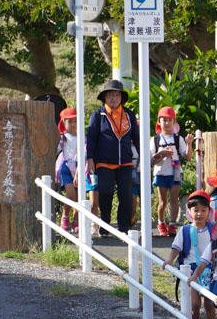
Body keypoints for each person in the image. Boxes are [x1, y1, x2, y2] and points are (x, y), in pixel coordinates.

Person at [86, 79, 139, 235]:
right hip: (104, 162)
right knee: (106, 193)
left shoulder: (129, 114)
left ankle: (124, 228)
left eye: (117, 95)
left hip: (125, 162)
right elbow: (91, 138)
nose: (114, 98)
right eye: (110, 95)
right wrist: (90, 158)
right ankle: (105, 224)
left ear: (121, 97)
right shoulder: (97, 115)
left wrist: (144, 158)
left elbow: (136, 138)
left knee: (126, 195)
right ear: (104, 98)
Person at [164, 190, 216, 319]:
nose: (199, 213)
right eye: (196, 210)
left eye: (203, 210)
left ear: (209, 212)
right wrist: (169, 259)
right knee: (194, 304)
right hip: (192, 270)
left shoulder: (213, 230)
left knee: (210, 304)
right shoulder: (185, 230)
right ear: (189, 212)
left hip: (210, 270)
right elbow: (176, 248)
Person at [151, 106, 188, 236]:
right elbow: (150, 162)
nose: (166, 123)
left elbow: (187, 156)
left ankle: (172, 224)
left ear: (174, 122)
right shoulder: (155, 140)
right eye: (164, 120)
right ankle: (161, 223)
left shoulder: (179, 139)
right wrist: (161, 154)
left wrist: (189, 143)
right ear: (159, 122)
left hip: (176, 173)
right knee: (163, 201)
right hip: (161, 173)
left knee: (174, 200)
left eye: (169, 120)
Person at [54, 108, 79, 233]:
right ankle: (65, 217)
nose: (73, 124)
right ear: (63, 123)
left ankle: (76, 220)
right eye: (70, 121)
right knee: (71, 194)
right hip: (65, 166)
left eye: (75, 121)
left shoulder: (83, 137)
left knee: (79, 196)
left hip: (79, 167)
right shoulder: (62, 137)